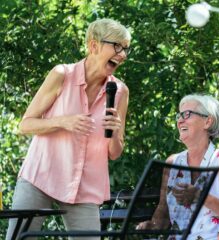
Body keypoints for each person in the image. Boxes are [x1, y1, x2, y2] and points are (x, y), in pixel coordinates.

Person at [6, 18, 131, 239]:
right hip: (41, 176)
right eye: (117, 46)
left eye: (126, 49)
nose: (122, 55)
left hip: (84, 188)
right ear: (94, 45)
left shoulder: (120, 91)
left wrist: (114, 133)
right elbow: (26, 124)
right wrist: (63, 121)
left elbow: (115, 153)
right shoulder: (62, 75)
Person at [137, 94, 219, 239]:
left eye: (187, 114)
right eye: (179, 116)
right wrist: (152, 225)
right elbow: (163, 214)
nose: (180, 120)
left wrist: (200, 197)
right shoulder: (172, 163)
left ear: (207, 121)